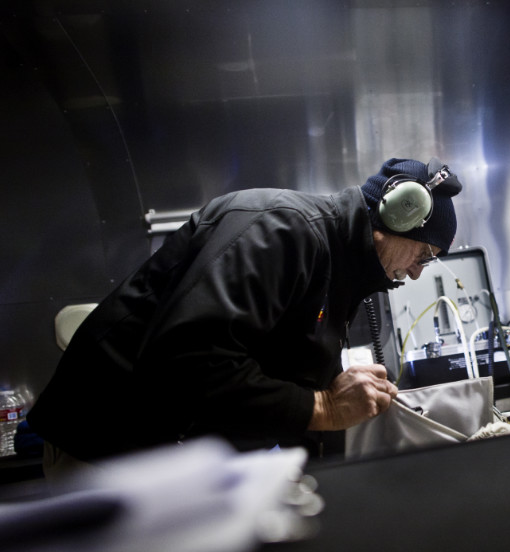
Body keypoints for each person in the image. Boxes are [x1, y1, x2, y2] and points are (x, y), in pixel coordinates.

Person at [28, 157, 462, 475]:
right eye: (423, 254)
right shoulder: (281, 230)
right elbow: (186, 360)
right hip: (108, 447)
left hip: (180, 454)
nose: (418, 271)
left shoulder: (338, 266)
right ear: (394, 215)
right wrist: (322, 406)